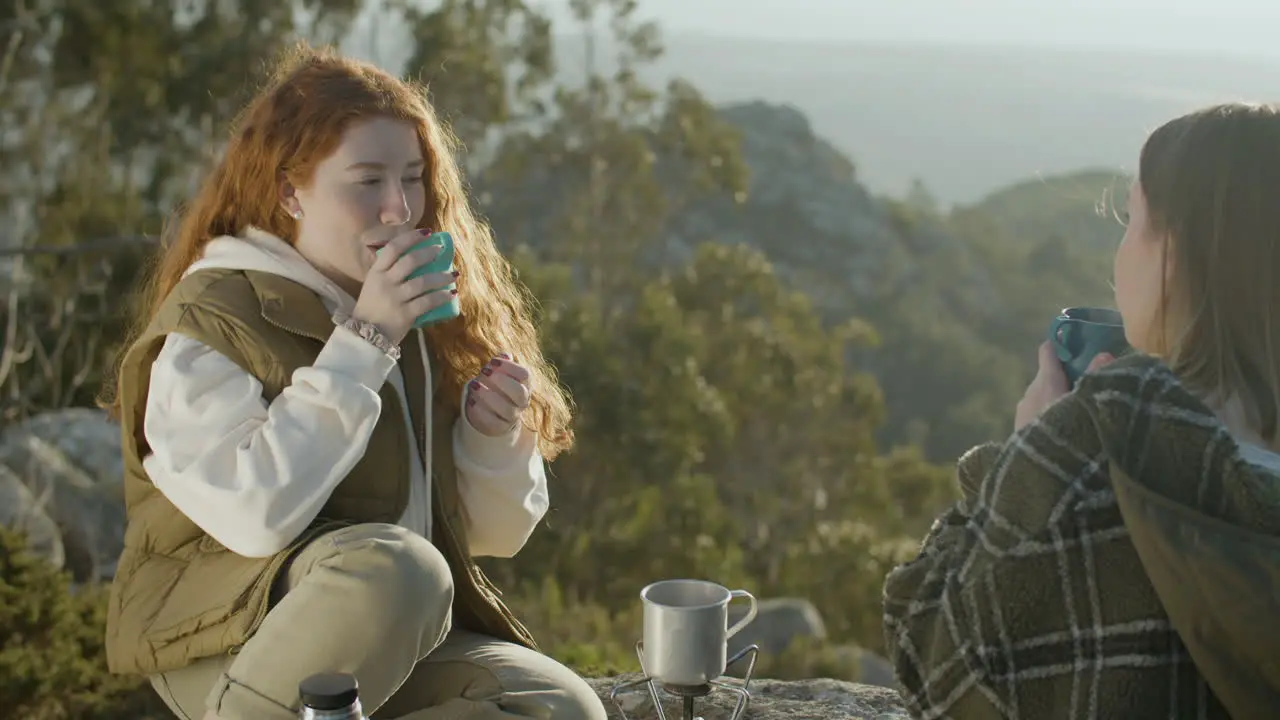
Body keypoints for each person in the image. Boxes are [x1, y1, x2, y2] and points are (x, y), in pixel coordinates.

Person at [100, 43, 606, 720]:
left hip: (389, 642)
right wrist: (366, 342)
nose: (399, 208)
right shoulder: (210, 324)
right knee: (401, 571)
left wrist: (491, 437)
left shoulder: (413, 323)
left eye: (413, 178)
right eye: (367, 182)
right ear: (290, 192)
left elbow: (494, 537)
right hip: (232, 648)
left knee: (559, 707)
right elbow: (256, 517)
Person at [883, 103, 1280, 720]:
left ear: (1175, 252)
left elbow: (933, 667)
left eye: (1131, 218)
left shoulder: (1097, 446)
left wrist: (1026, 460)